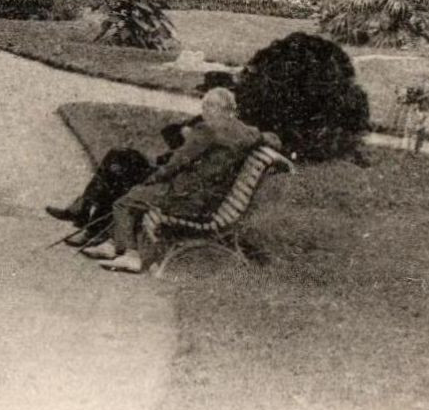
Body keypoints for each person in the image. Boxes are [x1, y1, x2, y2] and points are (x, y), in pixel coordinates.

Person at [82, 87, 274, 274]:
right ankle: (112, 244)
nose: (203, 111)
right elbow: (272, 139)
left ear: (217, 108)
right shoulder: (247, 132)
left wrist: (151, 179)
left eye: (206, 106)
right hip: (209, 201)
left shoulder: (208, 129)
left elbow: (176, 163)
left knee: (125, 201)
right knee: (138, 195)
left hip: (186, 200)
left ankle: (131, 255)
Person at [46, 71, 238, 245]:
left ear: (222, 104)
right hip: (171, 172)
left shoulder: (214, 130)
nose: (203, 104)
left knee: (120, 172)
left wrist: (186, 138)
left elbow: (181, 159)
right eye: (205, 101)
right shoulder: (207, 123)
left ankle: (90, 224)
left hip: (171, 179)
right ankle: (84, 211)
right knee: (119, 155)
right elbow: (170, 133)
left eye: (209, 102)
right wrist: (184, 131)